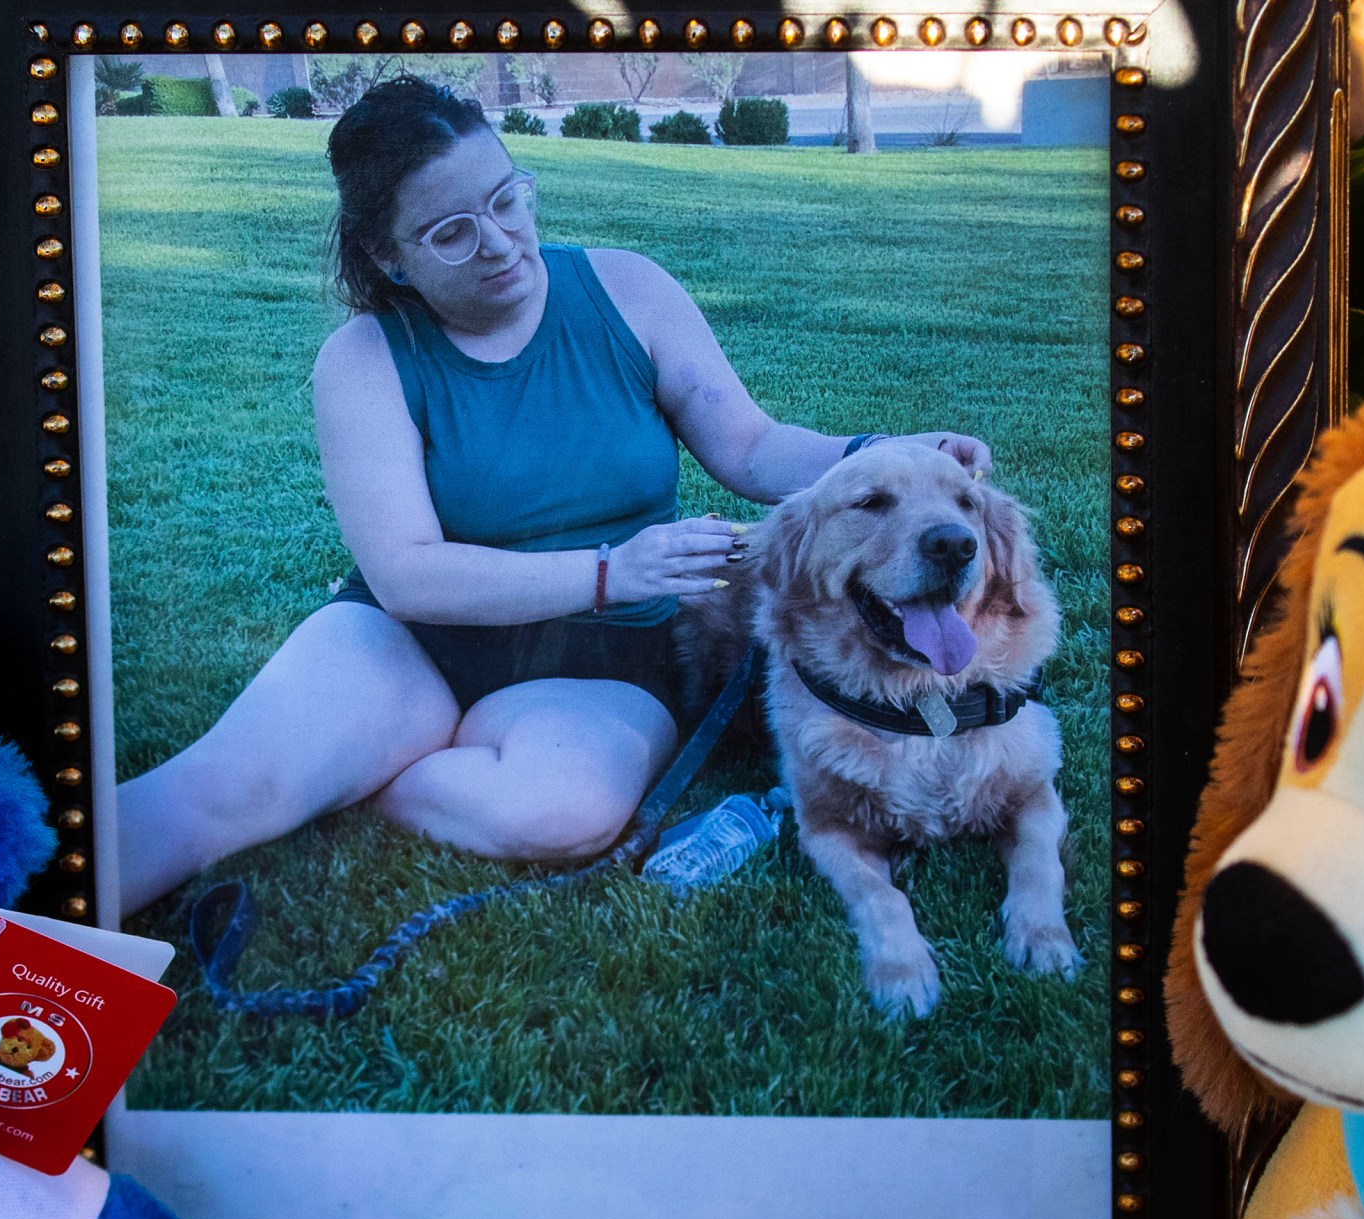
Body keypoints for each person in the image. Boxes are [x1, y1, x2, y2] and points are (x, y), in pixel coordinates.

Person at [114, 77, 991, 911]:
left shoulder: (628, 289)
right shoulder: (364, 359)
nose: (498, 240)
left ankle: (360, 763)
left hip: (605, 660)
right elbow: (408, 577)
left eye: (507, 199)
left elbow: (751, 446)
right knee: (222, 792)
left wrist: (882, 450)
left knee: (563, 817)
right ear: (390, 256)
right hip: (415, 642)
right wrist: (616, 567)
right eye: (450, 232)